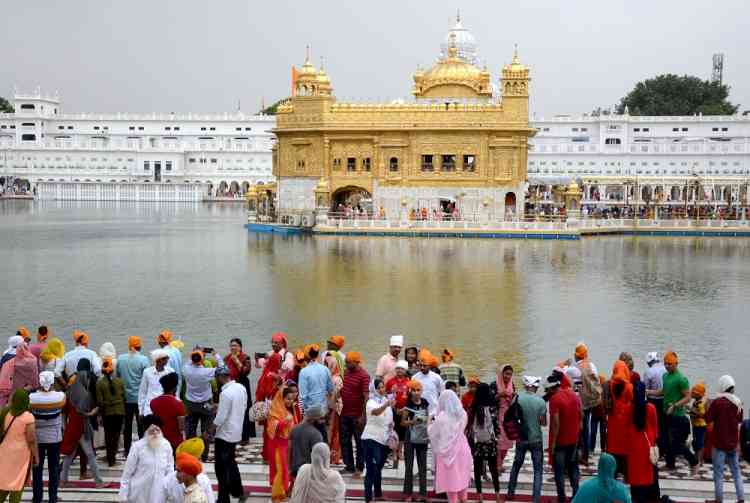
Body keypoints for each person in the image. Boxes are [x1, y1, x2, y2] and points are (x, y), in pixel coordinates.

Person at [60, 358, 105, 488]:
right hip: (81, 427)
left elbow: (66, 410)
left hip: (72, 425)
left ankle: (63, 481)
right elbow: (83, 412)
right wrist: (92, 413)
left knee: (70, 455)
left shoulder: (70, 391)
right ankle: (99, 482)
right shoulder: (85, 395)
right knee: (90, 454)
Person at [208, 366, 247, 503]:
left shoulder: (225, 393)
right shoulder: (241, 388)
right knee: (231, 462)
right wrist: (219, 406)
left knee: (221, 468)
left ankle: (223, 499)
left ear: (220, 377)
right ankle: (238, 491)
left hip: (224, 435)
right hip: (236, 431)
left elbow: (220, 418)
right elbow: (240, 406)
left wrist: (210, 431)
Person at [656, 351, 698, 473]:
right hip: (666, 414)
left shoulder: (681, 379)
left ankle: (694, 462)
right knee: (665, 441)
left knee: (677, 443)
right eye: (665, 364)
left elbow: (688, 397)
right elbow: (663, 392)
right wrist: (649, 391)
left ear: (676, 364)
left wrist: (675, 405)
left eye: (670, 364)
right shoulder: (665, 376)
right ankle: (670, 464)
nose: (667, 366)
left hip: (678, 416)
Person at [507, 376, 547, 503]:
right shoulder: (540, 401)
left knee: (516, 465)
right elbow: (544, 423)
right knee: (538, 470)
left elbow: (511, 416)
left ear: (525, 386)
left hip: (521, 438)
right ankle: (535, 499)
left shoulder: (517, 398)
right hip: (536, 439)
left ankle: (510, 493)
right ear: (535, 387)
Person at [705, 375, 745, 503]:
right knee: (736, 472)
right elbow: (740, 421)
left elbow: (708, 418)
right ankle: (741, 499)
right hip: (733, 444)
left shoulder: (717, 402)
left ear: (722, 386)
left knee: (718, 474)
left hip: (719, 444)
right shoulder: (738, 403)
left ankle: (719, 500)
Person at [118, 415, 175, 503]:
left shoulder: (166, 445)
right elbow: (127, 473)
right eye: (152, 431)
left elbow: (170, 470)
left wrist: (171, 491)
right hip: (139, 493)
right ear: (146, 431)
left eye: (157, 430)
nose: (155, 433)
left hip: (159, 493)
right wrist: (123, 496)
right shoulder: (137, 446)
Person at [429, 390, 472, 503]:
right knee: (462, 478)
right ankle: (463, 499)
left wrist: (429, 421)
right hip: (462, 449)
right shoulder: (463, 414)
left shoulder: (441, 418)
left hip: (447, 452)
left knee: (451, 482)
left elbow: (432, 433)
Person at [30, 371, 66, 503]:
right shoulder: (60, 397)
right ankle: (52, 497)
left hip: (38, 438)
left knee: (37, 470)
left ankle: (37, 498)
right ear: (52, 382)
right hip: (54, 438)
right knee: (54, 470)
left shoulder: (32, 398)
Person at [546, 372, 581, 503]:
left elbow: (556, 423)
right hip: (573, 440)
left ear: (552, 388)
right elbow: (581, 415)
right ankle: (576, 493)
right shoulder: (573, 394)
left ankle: (561, 497)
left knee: (559, 471)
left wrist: (553, 444)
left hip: (560, 442)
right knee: (573, 468)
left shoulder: (554, 399)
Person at [0, 389, 38, 503]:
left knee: (3, 481)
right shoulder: (28, 417)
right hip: (21, 456)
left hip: (4, 452)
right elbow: (31, 440)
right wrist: (36, 456)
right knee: (17, 484)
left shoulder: (5, 412)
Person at [184, 349, 221, 461]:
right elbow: (223, 368)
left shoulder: (186, 369)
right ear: (202, 360)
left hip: (191, 404)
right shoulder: (207, 372)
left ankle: (191, 454)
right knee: (206, 430)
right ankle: (204, 455)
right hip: (206, 404)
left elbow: (188, 362)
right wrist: (216, 354)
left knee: (190, 430)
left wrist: (194, 354)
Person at [361, 378, 394, 503]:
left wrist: (391, 424)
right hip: (371, 439)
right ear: (374, 389)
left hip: (383, 440)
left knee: (378, 469)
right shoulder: (371, 402)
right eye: (379, 387)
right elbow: (376, 412)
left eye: (383, 387)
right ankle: (368, 498)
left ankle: (378, 494)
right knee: (371, 469)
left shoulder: (385, 400)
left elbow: (388, 416)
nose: (382, 389)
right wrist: (386, 405)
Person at [467, 383, 501, 503]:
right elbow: (496, 427)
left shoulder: (473, 408)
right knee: (493, 469)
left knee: (477, 469)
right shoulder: (492, 408)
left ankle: (480, 497)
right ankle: (497, 496)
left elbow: (469, 427)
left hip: (478, 443)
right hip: (490, 443)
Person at [627, 381, 660, 503]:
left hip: (633, 446)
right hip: (648, 445)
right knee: (648, 475)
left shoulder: (630, 408)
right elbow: (655, 429)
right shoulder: (651, 408)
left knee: (635, 477)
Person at [117, 336, 150, 456]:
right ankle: (142, 449)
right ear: (139, 346)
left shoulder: (120, 359)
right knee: (142, 425)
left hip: (125, 398)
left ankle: (127, 450)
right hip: (140, 399)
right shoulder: (144, 360)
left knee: (127, 426)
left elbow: (117, 377)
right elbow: (147, 379)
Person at [339, 351, 369, 476]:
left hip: (357, 415)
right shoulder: (345, 373)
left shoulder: (364, 376)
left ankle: (360, 467)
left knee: (359, 442)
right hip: (344, 413)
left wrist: (363, 416)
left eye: (348, 362)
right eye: (345, 362)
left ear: (356, 362)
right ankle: (349, 465)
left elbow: (366, 396)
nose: (345, 364)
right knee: (345, 440)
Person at [266, 386, 298, 502]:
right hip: (278, 444)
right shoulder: (275, 410)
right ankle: (277, 495)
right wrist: (286, 421)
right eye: (287, 399)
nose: (290, 401)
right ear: (281, 398)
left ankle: (283, 491)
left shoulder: (291, 410)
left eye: (292, 399)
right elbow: (274, 426)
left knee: (286, 469)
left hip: (288, 444)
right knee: (281, 469)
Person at [573, 343, 602, 465]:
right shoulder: (592, 365)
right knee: (586, 427)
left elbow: (574, 388)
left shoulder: (575, 369)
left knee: (578, 428)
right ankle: (586, 454)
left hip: (579, 403)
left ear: (576, 355)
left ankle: (578, 453)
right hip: (591, 402)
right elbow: (597, 382)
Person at [401, 379, 429, 502]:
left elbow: (428, 417)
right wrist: (413, 422)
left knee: (423, 466)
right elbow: (402, 423)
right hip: (410, 437)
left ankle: (423, 494)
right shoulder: (408, 406)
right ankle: (408, 494)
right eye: (414, 390)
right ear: (410, 391)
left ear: (422, 391)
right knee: (409, 465)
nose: (416, 393)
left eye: (418, 390)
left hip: (422, 436)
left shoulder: (425, 403)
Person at [163, 438, 216, 503]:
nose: (177, 474)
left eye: (179, 471)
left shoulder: (168, 479)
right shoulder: (204, 480)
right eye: (199, 457)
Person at [96, 357, 126, 466]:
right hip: (119, 412)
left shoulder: (99, 383)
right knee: (116, 435)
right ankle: (113, 455)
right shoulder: (119, 381)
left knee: (108, 436)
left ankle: (110, 458)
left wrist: (99, 415)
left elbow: (99, 402)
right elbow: (124, 397)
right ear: (112, 370)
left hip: (107, 413)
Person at [224, 338, 255, 444]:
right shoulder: (226, 358)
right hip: (230, 386)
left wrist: (236, 360)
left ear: (240, 347)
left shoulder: (245, 357)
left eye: (235, 345)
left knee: (244, 411)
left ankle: (245, 437)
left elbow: (245, 372)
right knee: (232, 411)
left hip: (242, 385)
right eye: (231, 345)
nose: (233, 347)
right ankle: (233, 435)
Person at [606, 360, 633, 479]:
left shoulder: (609, 385)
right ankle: (626, 473)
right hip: (625, 420)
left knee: (613, 445)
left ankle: (614, 472)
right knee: (625, 446)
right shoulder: (629, 386)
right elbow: (632, 401)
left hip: (613, 420)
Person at [298, 344, 333, 434]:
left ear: (306, 356)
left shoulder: (304, 372)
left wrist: (303, 413)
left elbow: (303, 396)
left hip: (310, 411)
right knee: (322, 434)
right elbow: (330, 390)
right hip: (322, 410)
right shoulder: (325, 369)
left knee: (309, 437)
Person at [150, 372, 187, 451]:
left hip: (159, 440)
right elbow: (181, 427)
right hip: (175, 442)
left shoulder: (153, 402)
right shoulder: (179, 404)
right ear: (174, 388)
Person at [289, 404, 325, 479]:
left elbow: (289, 450)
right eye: (321, 418)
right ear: (314, 418)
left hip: (295, 470)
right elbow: (318, 458)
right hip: (309, 472)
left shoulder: (294, 429)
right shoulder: (316, 434)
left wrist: (289, 468)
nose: (323, 421)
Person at [386, 360, 410, 470]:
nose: (400, 370)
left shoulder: (409, 382)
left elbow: (410, 398)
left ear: (405, 371)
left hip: (405, 411)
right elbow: (388, 397)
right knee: (394, 431)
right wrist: (394, 407)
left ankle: (401, 451)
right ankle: (394, 452)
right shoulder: (390, 382)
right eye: (398, 368)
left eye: (402, 369)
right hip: (393, 411)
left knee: (403, 432)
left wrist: (405, 409)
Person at [138, 349, 175, 417]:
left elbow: (174, 391)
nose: (167, 360)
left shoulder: (171, 372)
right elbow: (142, 392)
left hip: (165, 409)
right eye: (164, 358)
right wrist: (141, 411)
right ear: (158, 360)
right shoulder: (147, 372)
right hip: (149, 410)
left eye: (167, 358)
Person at [0, 341, 39, 407]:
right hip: (27, 392)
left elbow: (6, 377)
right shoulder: (33, 361)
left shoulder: (12, 362)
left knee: (12, 408)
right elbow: (35, 383)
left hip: (14, 390)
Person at [643, 351, 667, 454]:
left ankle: (654, 447)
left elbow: (645, 388)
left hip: (653, 401)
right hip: (665, 400)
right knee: (663, 426)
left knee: (653, 425)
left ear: (649, 362)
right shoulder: (665, 369)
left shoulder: (649, 372)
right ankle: (664, 449)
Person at [324, 345, 344, 466]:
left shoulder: (335, 379)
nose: (326, 366)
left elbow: (335, 396)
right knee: (333, 432)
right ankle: (333, 456)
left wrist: (329, 409)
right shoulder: (336, 377)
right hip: (331, 408)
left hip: (333, 409)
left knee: (333, 432)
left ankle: (333, 456)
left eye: (328, 364)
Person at [494, 363, 515, 471]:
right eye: (506, 374)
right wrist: (499, 395)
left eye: (510, 375)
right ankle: (497, 465)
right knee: (498, 442)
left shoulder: (512, 385)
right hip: (497, 417)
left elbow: (515, 401)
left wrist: (510, 399)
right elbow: (489, 400)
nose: (508, 377)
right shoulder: (494, 385)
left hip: (509, 417)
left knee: (507, 441)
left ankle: (500, 462)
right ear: (501, 374)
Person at [413, 351, 444, 415]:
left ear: (430, 366)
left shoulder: (437, 377)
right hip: (419, 411)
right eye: (420, 365)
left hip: (434, 410)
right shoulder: (414, 378)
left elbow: (442, 393)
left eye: (424, 366)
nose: (422, 367)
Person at [688, 382, 708, 466]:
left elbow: (701, 415)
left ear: (699, 394)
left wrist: (691, 411)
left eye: (694, 393)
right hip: (696, 425)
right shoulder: (696, 401)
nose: (692, 394)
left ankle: (699, 460)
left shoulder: (700, 404)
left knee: (699, 443)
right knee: (695, 443)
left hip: (700, 426)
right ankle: (697, 458)